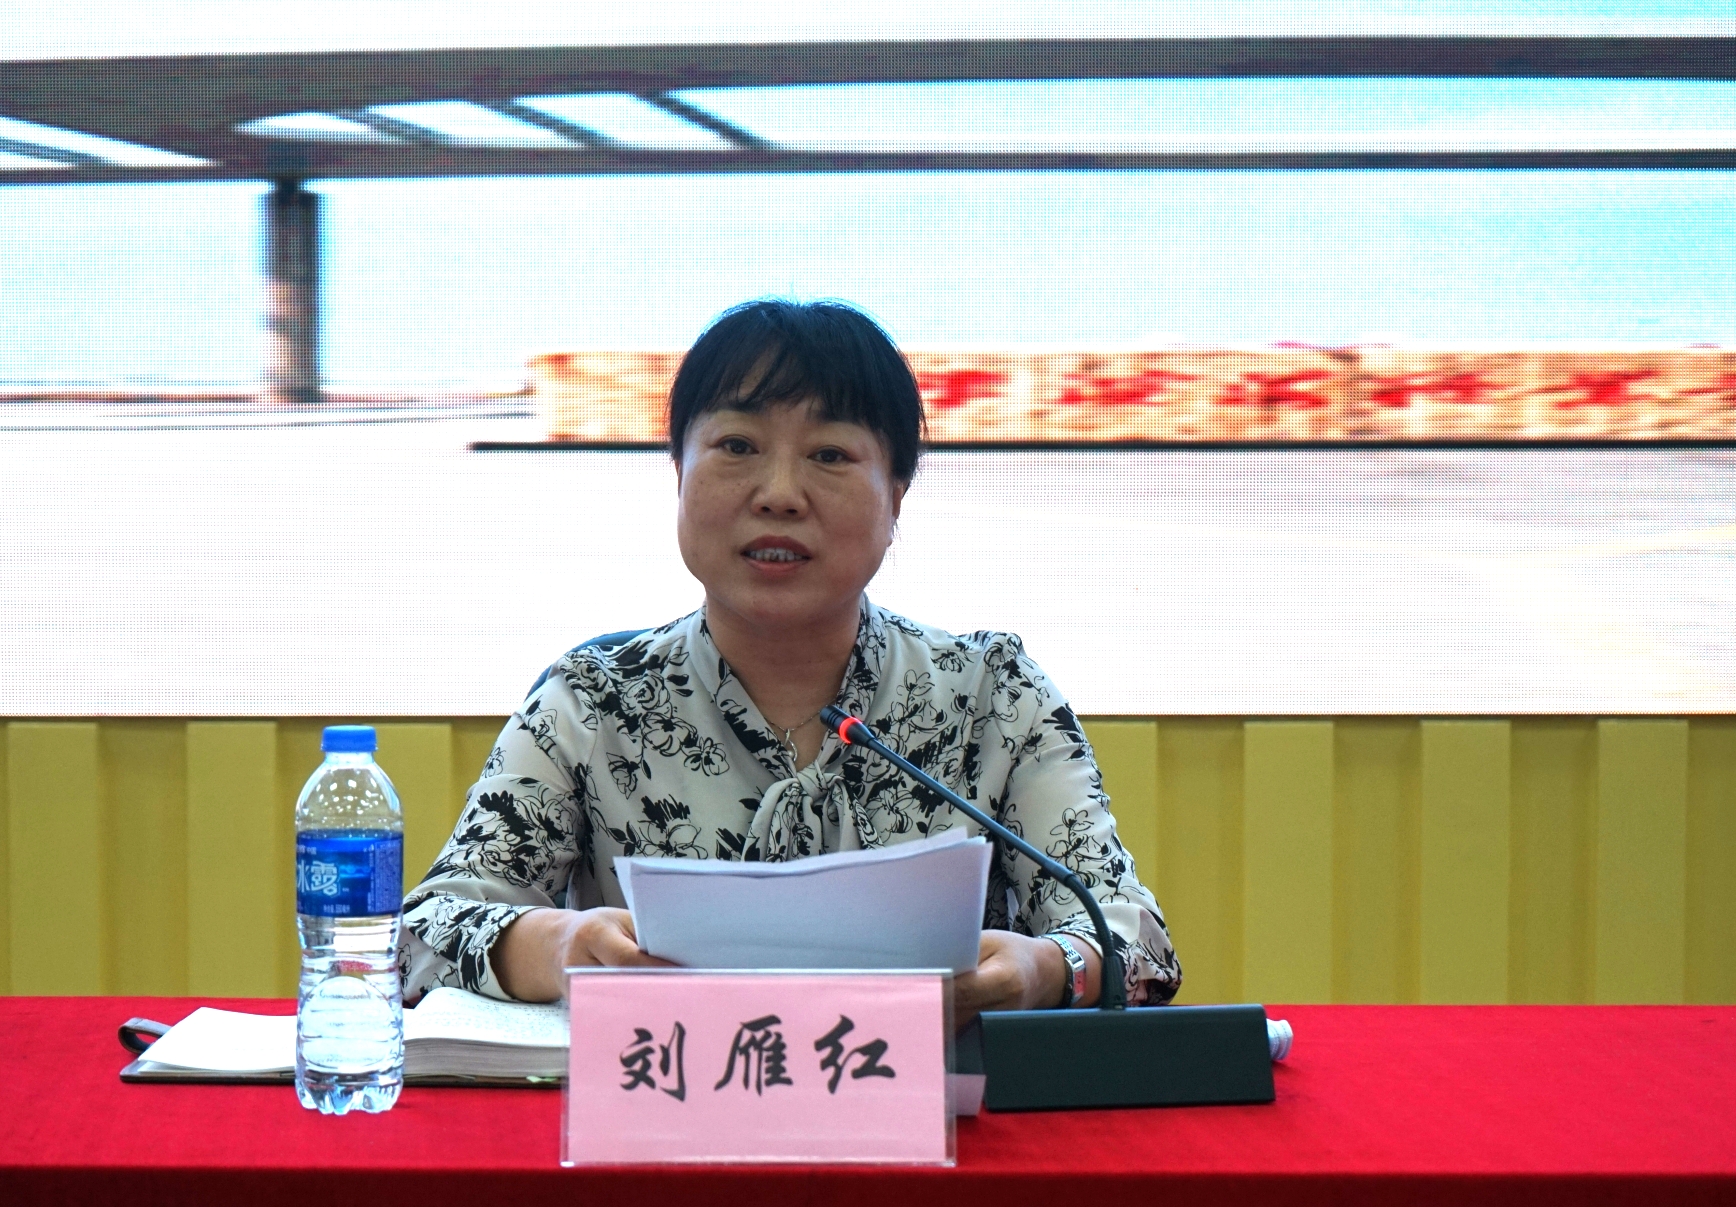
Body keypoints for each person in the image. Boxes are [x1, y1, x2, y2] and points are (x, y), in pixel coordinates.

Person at [399, 300, 1181, 1018]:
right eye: (737, 446)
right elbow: (423, 935)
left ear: (897, 496)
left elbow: (1132, 938)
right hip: (663, 1110)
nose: (779, 493)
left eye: (830, 454)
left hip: (930, 1114)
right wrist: (557, 944)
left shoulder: (992, 695)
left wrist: (1045, 968)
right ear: (678, 473)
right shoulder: (592, 700)